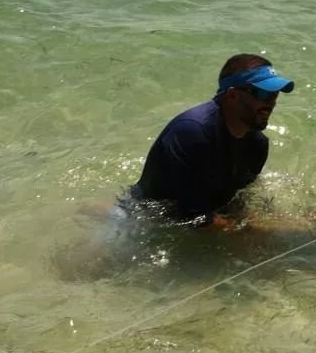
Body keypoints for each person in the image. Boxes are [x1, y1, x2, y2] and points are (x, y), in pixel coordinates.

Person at [125, 54, 295, 227]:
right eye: (263, 93)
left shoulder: (258, 145)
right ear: (232, 95)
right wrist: (256, 232)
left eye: (274, 94)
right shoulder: (192, 132)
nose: (271, 103)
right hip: (143, 220)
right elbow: (190, 216)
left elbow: (240, 200)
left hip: (203, 217)